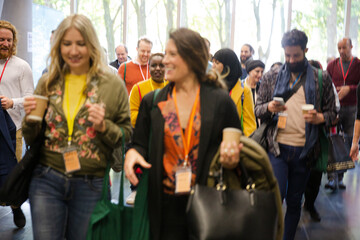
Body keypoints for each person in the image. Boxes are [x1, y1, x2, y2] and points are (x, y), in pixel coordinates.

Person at [124, 28, 243, 240]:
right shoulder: (154, 102)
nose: (164, 60)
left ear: (192, 58)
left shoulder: (220, 102)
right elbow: (139, 143)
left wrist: (233, 158)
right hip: (164, 204)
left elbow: (238, 147)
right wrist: (133, 153)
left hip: (207, 203)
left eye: (172, 54)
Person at [22, 14, 131, 240]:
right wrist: (30, 120)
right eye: (67, 43)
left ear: (91, 45)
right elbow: (32, 139)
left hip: (91, 182)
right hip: (46, 179)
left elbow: (125, 134)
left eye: (80, 44)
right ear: (58, 45)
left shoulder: (112, 84)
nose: (73, 51)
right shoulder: (48, 81)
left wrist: (103, 126)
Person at [255, 29, 336, 240]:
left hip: (305, 151)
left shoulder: (322, 78)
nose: (291, 60)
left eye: (296, 56)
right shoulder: (271, 77)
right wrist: (270, 108)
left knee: (294, 201)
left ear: (305, 50)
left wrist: (320, 118)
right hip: (277, 148)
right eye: (287, 55)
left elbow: (333, 112)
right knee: (275, 197)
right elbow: (258, 108)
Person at [0, 19, 34, 228]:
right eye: (1, 39)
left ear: (14, 42)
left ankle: (15, 206)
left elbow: (30, 98)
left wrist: (13, 102)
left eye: (9, 40)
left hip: (13, 129)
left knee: (12, 171)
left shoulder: (22, 66)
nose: (5, 43)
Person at [126, 53, 168, 205]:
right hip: (144, 137)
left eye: (161, 65)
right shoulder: (138, 88)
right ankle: (136, 189)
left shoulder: (172, 87)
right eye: (154, 65)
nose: (157, 69)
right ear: (148, 68)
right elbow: (132, 115)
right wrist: (156, 119)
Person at [326, 37, 360, 190]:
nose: (341, 51)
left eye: (344, 48)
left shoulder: (358, 64)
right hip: (336, 108)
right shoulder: (332, 65)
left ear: (351, 46)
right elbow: (326, 83)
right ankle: (331, 177)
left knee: (347, 142)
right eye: (339, 48)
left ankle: (340, 177)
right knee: (332, 141)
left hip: (353, 108)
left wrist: (350, 89)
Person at [212, 48, 256, 136]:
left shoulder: (244, 90)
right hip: (212, 141)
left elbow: (249, 124)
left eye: (217, 63)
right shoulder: (212, 86)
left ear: (227, 66)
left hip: (233, 141)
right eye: (213, 62)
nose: (213, 66)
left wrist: (243, 144)